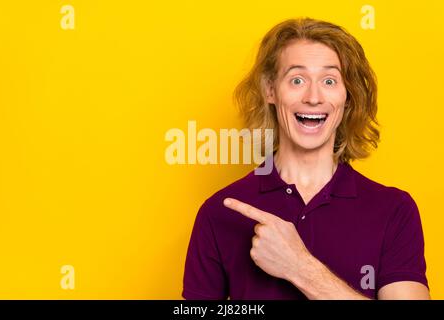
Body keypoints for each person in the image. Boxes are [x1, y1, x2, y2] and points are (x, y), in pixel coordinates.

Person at [182, 18, 429, 300]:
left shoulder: (394, 210)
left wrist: (299, 267)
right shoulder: (220, 213)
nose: (313, 97)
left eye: (329, 80)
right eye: (297, 80)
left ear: (347, 97)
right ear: (270, 90)